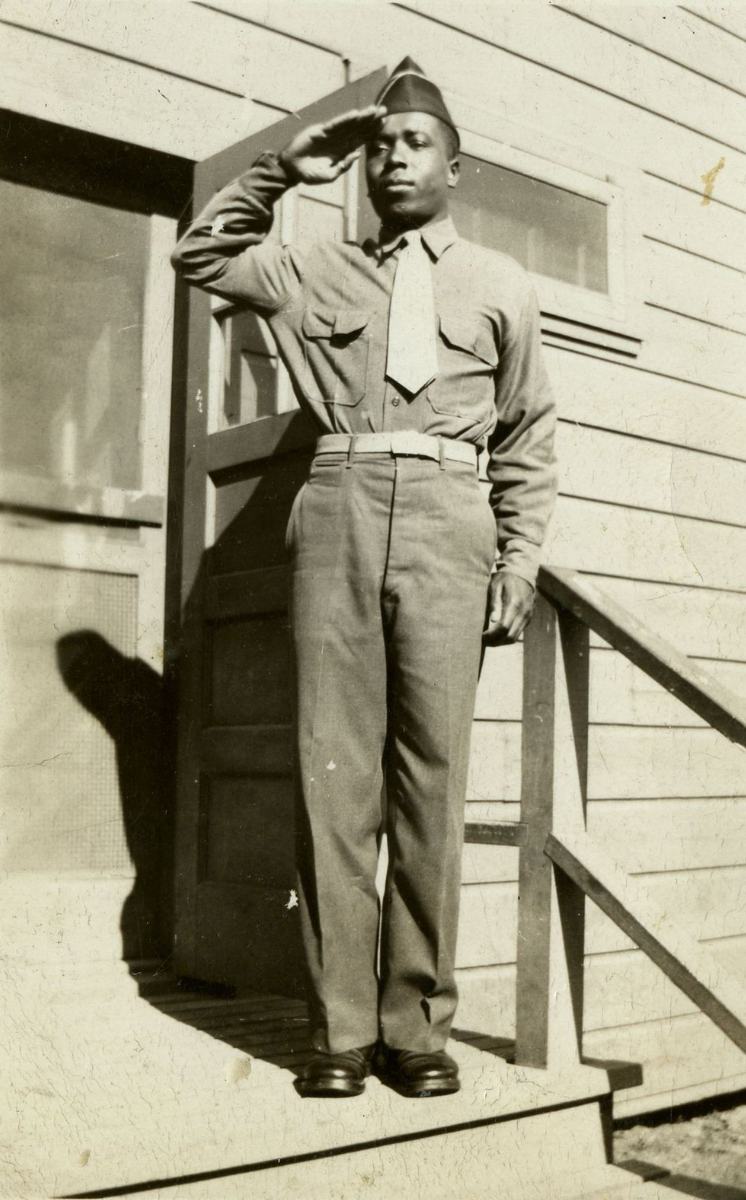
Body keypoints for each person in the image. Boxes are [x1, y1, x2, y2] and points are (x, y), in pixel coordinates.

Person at [171, 58, 557, 1100]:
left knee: (431, 783)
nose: (393, 158)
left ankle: (415, 1027)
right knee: (332, 776)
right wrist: (280, 169)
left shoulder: (501, 288)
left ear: (453, 167)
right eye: (379, 144)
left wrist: (517, 557)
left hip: (452, 523)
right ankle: (339, 1031)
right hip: (338, 506)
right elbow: (201, 252)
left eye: (415, 142)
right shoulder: (311, 270)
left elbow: (525, 435)